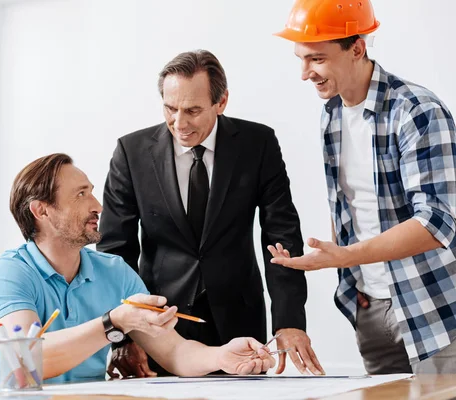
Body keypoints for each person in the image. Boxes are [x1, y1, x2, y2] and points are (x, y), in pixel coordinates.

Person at [98, 50, 324, 377]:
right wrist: (125, 333)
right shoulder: (131, 153)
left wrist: (289, 322)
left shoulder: (256, 144)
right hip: (159, 328)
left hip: (239, 322)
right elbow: (114, 254)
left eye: (192, 110)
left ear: (222, 102)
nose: (179, 123)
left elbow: (281, 235)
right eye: (170, 108)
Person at [271, 0, 456, 374]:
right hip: (370, 308)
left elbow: (437, 222)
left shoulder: (416, 111)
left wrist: (344, 256)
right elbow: (352, 205)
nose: (306, 73)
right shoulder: (332, 113)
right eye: (301, 58)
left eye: (317, 59)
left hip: (434, 310)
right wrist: (348, 276)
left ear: (357, 48)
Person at [0, 153, 276, 386]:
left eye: (92, 193)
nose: (97, 206)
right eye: (81, 195)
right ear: (41, 210)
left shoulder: (115, 272)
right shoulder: (10, 274)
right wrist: (114, 323)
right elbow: (28, 359)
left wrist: (221, 356)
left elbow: (174, 352)